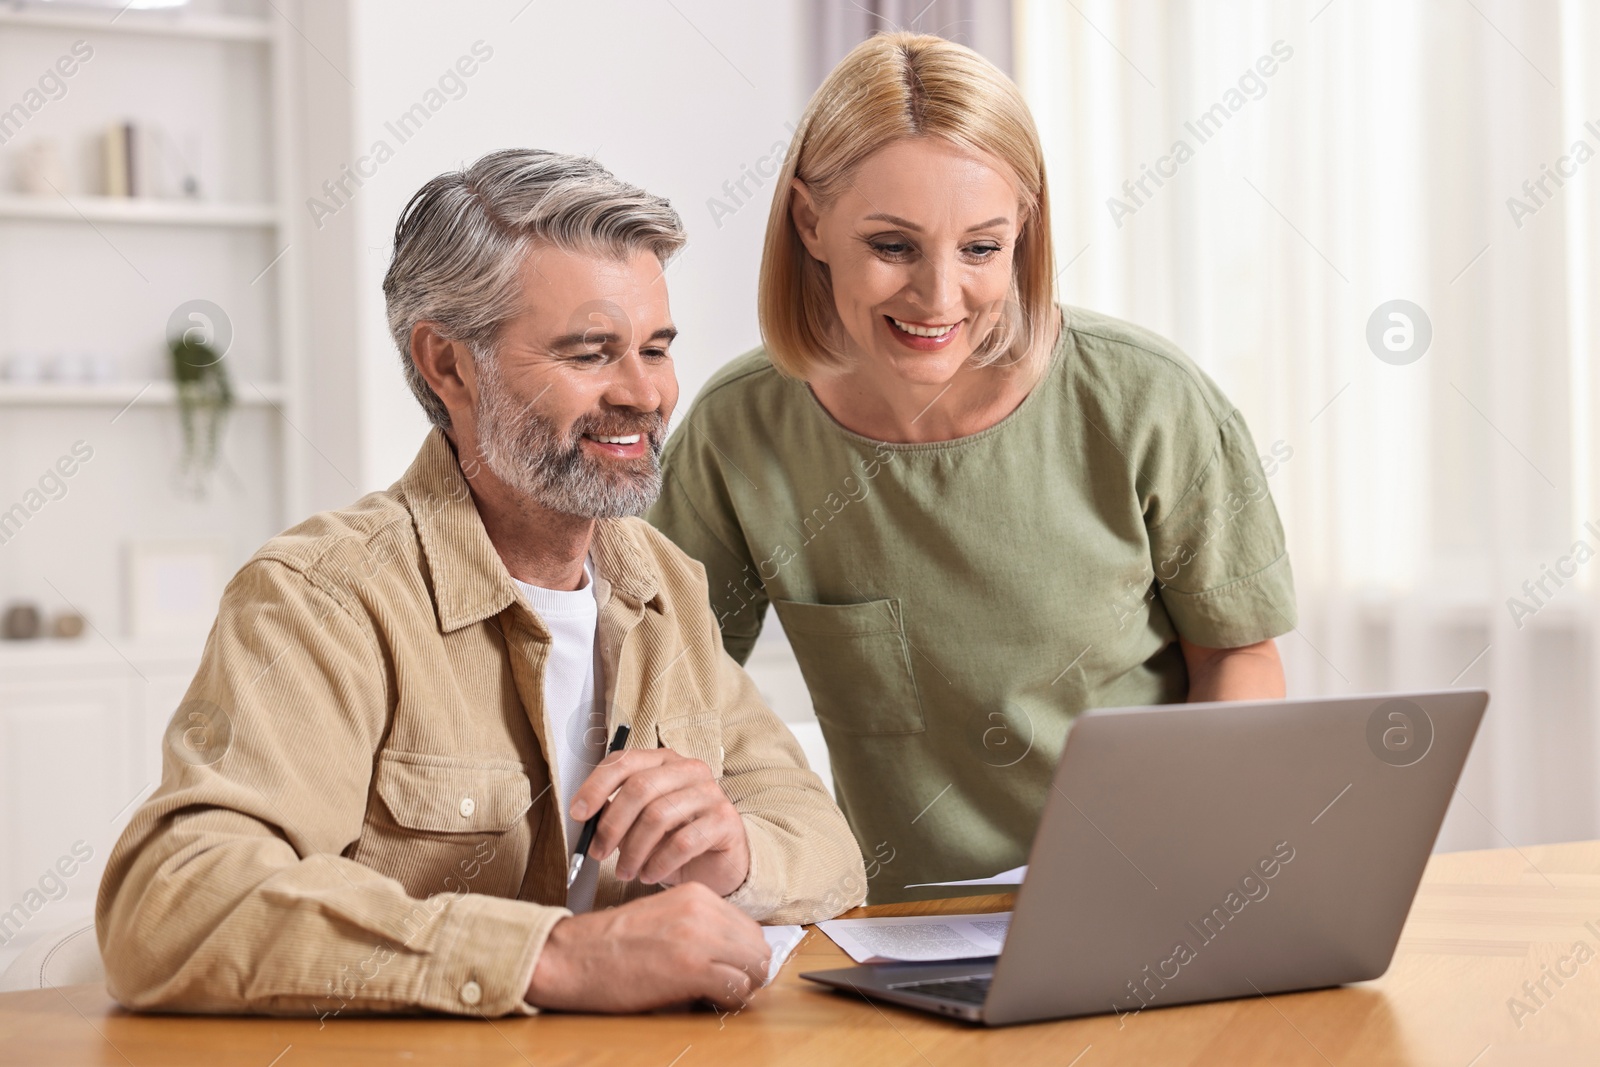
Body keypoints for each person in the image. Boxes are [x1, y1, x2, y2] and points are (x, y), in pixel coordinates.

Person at [96, 149, 866, 1018]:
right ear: (449, 365)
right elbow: (173, 903)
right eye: (591, 352)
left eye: (656, 348)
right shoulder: (322, 599)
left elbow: (829, 850)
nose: (645, 392)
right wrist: (551, 957)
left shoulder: (664, 587)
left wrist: (738, 853)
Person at [648, 34, 1298, 903]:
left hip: (1147, 898)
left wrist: (1191, 849)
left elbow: (1238, 656)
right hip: (897, 936)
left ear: (1024, 229)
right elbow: (674, 689)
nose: (940, 297)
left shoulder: (1151, 403)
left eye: (982, 249)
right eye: (893, 245)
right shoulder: (739, 432)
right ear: (811, 223)